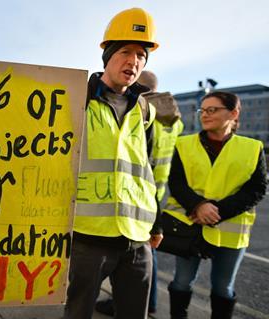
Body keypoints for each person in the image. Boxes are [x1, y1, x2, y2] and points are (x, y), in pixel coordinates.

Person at [63, 8, 163, 319]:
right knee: (78, 312)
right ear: (107, 56)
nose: (134, 61)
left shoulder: (145, 111)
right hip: (89, 238)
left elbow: (147, 171)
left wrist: (155, 223)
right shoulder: (76, 96)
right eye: (126, 51)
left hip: (136, 238)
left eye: (141, 55)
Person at [165, 91, 267, 318]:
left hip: (230, 230)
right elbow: (176, 182)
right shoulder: (183, 144)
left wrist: (218, 211)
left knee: (223, 287)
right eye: (203, 110)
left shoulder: (252, 148)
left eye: (213, 110)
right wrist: (198, 205)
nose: (205, 115)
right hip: (189, 225)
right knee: (181, 281)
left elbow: (257, 188)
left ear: (233, 113)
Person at [95, 70, 184, 317]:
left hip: (138, 185)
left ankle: (131, 302)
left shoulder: (144, 111)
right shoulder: (174, 119)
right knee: (146, 251)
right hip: (157, 186)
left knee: (136, 252)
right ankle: (148, 302)